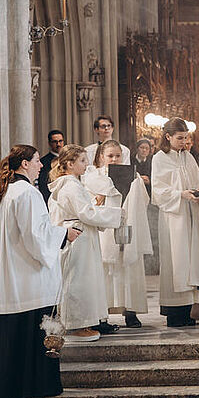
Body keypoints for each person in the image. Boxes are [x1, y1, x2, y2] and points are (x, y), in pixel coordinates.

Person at [0, 144, 79, 398]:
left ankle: (8, 389)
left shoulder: (0, 192)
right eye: (37, 161)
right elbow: (36, 238)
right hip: (28, 281)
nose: (41, 165)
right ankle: (37, 386)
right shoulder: (27, 193)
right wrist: (64, 234)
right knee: (35, 337)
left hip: (8, 280)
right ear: (24, 163)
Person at [48, 144, 123, 341]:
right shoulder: (71, 185)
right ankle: (77, 325)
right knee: (78, 281)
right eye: (82, 160)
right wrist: (116, 214)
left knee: (85, 280)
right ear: (70, 163)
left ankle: (83, 322)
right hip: (78, 237)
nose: (87, 164)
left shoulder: (72, 183)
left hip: (82, 235)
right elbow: (86, 213)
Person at [82, 140, 153, 329]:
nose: (114, 159)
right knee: (104, 272)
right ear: (101, 157)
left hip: (128, 226)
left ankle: (131, 312)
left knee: (130, 269)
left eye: (118, 156)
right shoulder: (93, 177)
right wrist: (100, 198)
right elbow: (87, 202)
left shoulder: (134, 175)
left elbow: (143, 201)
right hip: (105, 231)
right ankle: (101, 315)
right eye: (110, 156)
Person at [152, 118, 199, 327]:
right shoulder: (159, 158)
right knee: (176, 261)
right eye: (179, 138)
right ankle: (174, 312)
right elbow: (158, 190)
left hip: (191, 213)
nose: (184, 142)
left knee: (192, 259)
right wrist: (180, 194)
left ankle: (188, 310)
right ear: (168, 137)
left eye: (186, 138)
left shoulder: (188, 157)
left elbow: (198, 180)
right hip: (173, 216)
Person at [38, 129, 64, 202]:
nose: (58, 144)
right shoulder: (43, 162)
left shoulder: (69, 159)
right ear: (49, 143)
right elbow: (43, 185)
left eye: (60, 141)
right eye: (55, 142)